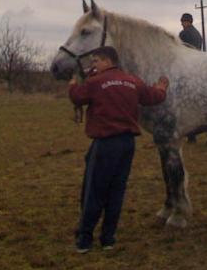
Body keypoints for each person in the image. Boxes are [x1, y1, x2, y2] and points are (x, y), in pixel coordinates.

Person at [68, 46, 169, 253]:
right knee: (116, 191)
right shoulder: (132, 80)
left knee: (94, 192)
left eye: (96, 61)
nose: (93, 66)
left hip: (104, 144)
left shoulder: (95, 83)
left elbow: (77, 97)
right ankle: (108, 238)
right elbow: (153, 97)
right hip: (127, 145)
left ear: (107, 61)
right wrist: (162, 87)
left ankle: (85, 239)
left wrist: (72, 84)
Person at [177, 13, 207, 147]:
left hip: (189, 69)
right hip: (200, 66)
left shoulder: (184, 34)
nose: (181, 23)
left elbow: (179, 52)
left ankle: (193, 136)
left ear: (188, 22)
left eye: (183, 21)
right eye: (182, 21)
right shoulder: (198, 34)